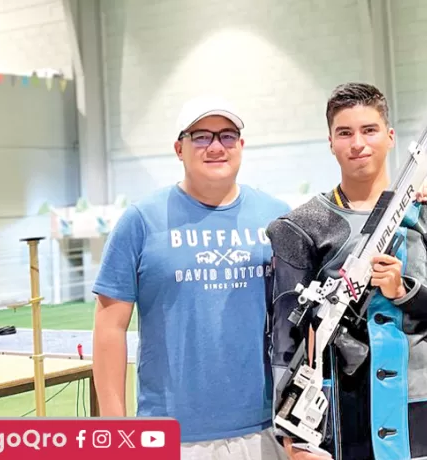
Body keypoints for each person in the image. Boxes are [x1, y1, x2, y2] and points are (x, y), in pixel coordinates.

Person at [266, 82, 427, 460]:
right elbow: (285, 341)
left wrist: (408, 292)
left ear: (389, 136)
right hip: (337, 424)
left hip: (423, 425)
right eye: (345, 133)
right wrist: (295, 436)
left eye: (369, 130)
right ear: (331, 142)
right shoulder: (301, 226)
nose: (358, 143)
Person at [91, 94, 292, 459]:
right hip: (170, 432)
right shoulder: (141, 221)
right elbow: (109, 328)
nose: (216, 147)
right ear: (178, 148)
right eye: (201, 136)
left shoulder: (279, 219)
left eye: (227, 136)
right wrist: (115, 431)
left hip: (268, 427)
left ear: (241, 146)